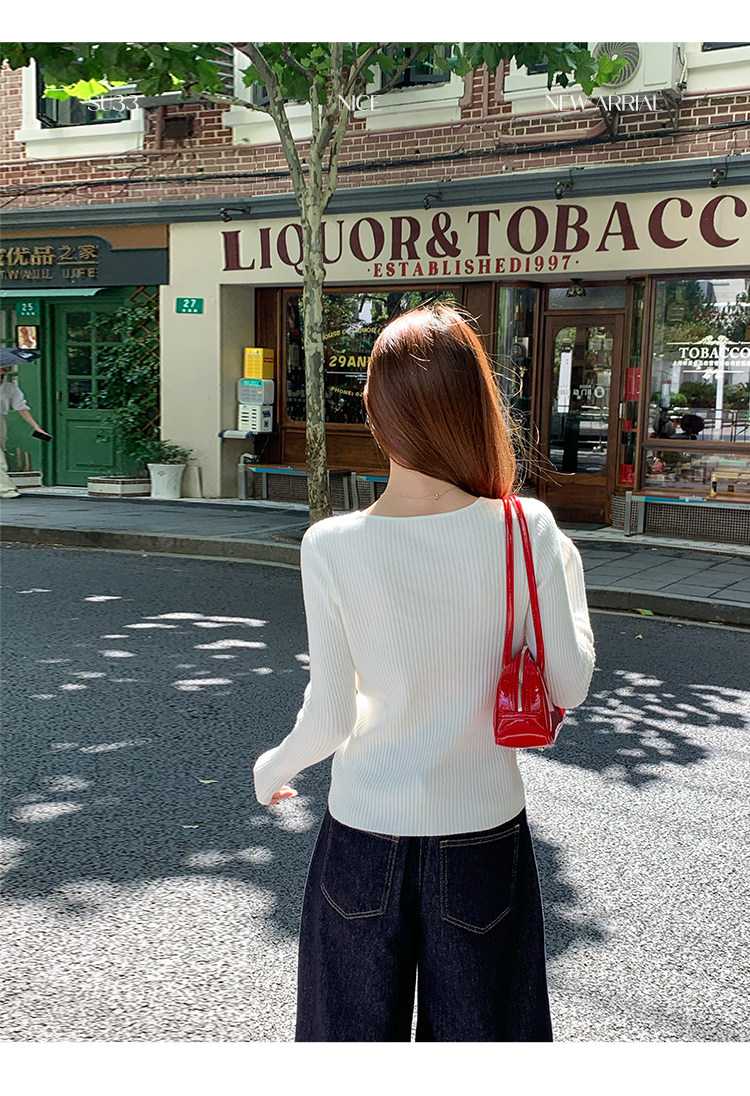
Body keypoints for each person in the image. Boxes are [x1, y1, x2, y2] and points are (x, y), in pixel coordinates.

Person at [253, 303, 596, 1042]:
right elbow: (569, 686)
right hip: (482, 835)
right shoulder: (526, 528)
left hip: (362, 831)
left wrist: (272, 767)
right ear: (478, 409)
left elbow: (332, 715)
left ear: (375, 413)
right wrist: (562, 570)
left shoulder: (330, 544)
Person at [0, 347, 52, 499]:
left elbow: (21, 408)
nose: (6, 368)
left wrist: (36, 427)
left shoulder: (9, 387)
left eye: (7, 366)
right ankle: (6, 490)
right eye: (3, 366)